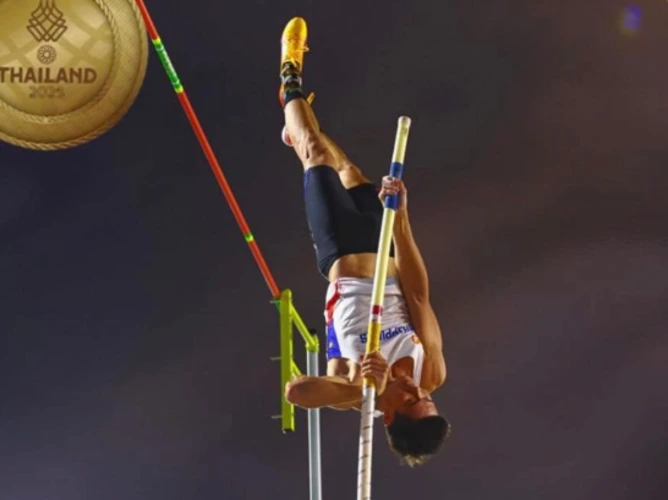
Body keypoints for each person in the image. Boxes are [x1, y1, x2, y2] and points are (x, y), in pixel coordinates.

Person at [279, 17, 450, 467]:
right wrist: (401, 218)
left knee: (316, 153)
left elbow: (296, 392)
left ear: (388, 417)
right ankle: (297, 130)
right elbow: (418, 293)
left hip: (340, 251)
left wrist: (362, 386)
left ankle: (289, 80)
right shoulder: (430, 371)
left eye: (410, 400)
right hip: (384, 242)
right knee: (349, 170)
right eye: (426, 398)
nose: (417, 389)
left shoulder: (352, 388)